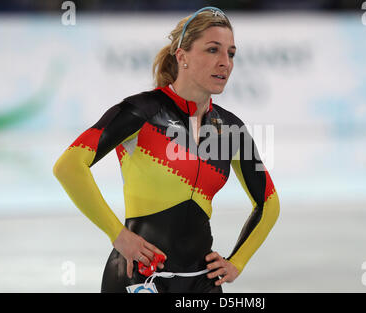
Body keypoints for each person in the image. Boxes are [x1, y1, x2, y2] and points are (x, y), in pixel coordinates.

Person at [53, 7, 280, 293]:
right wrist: (118, 235)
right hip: (138, 278)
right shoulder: (141, 111)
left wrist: (237, 262)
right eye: (213, 50)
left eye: (231, 53)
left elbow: (268, 202)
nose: (225, 63)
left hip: (202, 283)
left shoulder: (231, 129)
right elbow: (69, 166)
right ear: (182, 56)